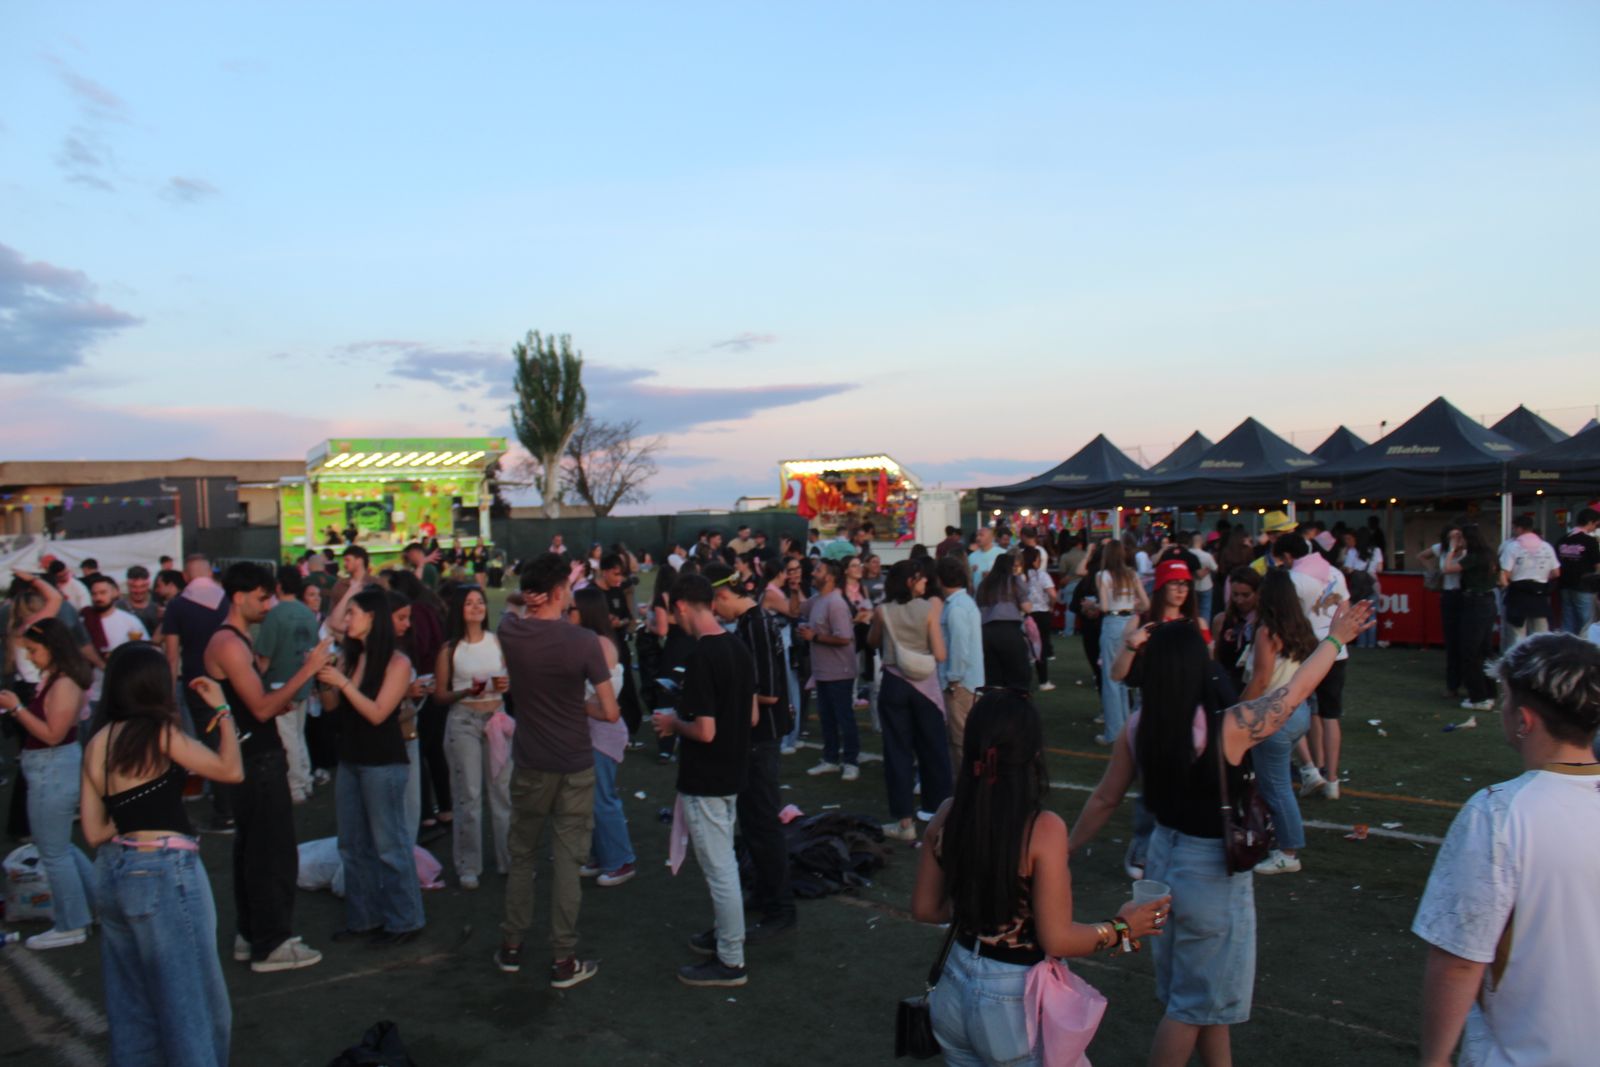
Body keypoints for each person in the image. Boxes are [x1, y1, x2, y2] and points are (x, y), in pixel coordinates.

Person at [1070, 603, 1371, 1067]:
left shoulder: (1139, 725)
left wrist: (1068, 847)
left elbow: (1105, 798)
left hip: (1161, 859)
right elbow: (1294, 692)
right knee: (1192, 1007)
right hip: (1209, 871)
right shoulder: (1227, 727)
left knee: (1203, 1000)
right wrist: (1335, 639)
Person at [912, 689, 1167, 1065]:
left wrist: (981, 905)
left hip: (953, 985)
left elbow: (924, 908)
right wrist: (1123, 928)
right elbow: (1057, 938)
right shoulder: (1042, 829)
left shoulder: (948, 814)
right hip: (1009, 999)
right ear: (1032, 756)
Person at [1413, 633, 1600, 1067]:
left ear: (1524, 720)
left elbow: (1459, 959)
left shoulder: (1497, 812)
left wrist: (1434, 1059)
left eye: (1507, 699)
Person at [79, 644, 242, 1067]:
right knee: (194, 1005)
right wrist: (223, 711)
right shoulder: (159, 734)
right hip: (164, 869)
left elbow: (94, 832)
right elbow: (230, 770)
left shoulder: (97, 742)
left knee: (132, 1009)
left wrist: (132, 812)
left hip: (115, 873)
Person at [495, 554, 619, 988]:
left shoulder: (510, 631)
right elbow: (609, 711)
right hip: (573, 762)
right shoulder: (583, 641)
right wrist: (576, 705)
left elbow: (514, 604)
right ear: (556, 592)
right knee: (568, 862)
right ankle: (563, 959)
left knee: (523, 856)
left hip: (531, 761)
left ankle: (512, 946)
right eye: (566, 586)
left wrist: (533, 593)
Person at [204, 562, 330, 972]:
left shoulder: (235, 640)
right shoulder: (229, 643)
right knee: (271, 854)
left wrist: (281, 699)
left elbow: (254, 702)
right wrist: (308, 670)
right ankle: (271, 942)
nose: (268, 605)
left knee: (254, 851)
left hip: (251, 756)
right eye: (262, 598)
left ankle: (252, 933)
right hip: (256, 759)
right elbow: (259, 708)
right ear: (239, 597)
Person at [652, 574, 758, 987]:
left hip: (708, 775)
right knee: (724, 861)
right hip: (733, 770)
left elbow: (705, 731)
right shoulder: (738, 646)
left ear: (681, 606)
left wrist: (672, 723)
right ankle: (725, 936)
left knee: (720, 869)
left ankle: (731, 959)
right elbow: (751, 715)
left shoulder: (702, 656)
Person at [316, 587, 425, 947]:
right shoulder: (350, 657)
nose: (347, 619)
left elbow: (378, 714)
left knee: (389, 845)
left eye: (353, 613)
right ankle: (364, 919)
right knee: (352, 844)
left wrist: (343, 683)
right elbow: (331, 708)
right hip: (351, 759)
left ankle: (405, 919)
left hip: (382, 762)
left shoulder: (397, 663)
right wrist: (323, 677)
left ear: (372, 618)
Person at [706, 562, 796, 941]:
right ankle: (764, 894)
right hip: (755, 738)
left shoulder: (756, 624)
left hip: (762, 738)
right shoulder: (752, 622)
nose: (714, 613)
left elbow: (769, 692)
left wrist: (720, 693)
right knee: (754, 823)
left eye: (713, 604)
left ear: (723, 594)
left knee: (763, 825)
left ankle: (780, 909)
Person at [0, 618, 97, 949]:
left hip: (52, 769)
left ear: (52, 648)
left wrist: (16, 708)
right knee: (59, 847)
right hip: (49, 768)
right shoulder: (58, 678)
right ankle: (95, 906)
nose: (29, 656)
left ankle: (72, 923)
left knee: (54, 852)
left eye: (33, 650)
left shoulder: (64, 682)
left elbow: (52, 734)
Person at [1237, 570, 1318, 875]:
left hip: (1273, 712)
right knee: (1276, 783)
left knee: (1276, 786)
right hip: (1297, 709)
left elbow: (1260, 679)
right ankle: (1281, 843)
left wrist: (1237, 710)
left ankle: (1288, 851)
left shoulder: (1267, 631)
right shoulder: (1300, 627)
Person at [870, 561, 952, 842]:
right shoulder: (928, 609)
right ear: (909, 581)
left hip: (894, 683)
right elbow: (940, 653)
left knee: (897, 752)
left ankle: (904, 822)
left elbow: (872, 640)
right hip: (925, 687)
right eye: (920, 579)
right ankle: (940, 815)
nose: (925, 582)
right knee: (934, 751)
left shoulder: (883, 610)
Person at [436, 585, 511, 890]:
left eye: (480, 602)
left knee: (502, 792)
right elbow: (440, 695)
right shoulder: (450, 649)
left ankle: (509, 860)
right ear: (459, 609)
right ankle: (469, 865)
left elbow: (508, 679)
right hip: (463, 720)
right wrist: (466, 691)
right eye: (469, 603)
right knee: (468, 794)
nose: (477, 607)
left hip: (497, 719)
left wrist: (505, 685)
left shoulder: (497, 641)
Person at [570, 586, 636, 888]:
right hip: (590, 729)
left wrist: (574, 701)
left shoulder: (599, 644)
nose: (566, 614)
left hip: (602, 731)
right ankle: (601, 855)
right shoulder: (591, 641)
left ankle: (621, 861)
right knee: (590, 798)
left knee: (602, 798)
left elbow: (604, 701)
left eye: (572, 609)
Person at [161, 554, 232, 831]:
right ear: (210, 573)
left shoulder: (178, 605)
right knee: (234, 737)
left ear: (185, 577)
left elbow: (171, 656)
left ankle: (225, 810)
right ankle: (236, 803)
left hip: (198, 682)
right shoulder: (228, 599)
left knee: (213, 742)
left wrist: (169, 696)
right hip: (231, 676)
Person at [253, 565, 320, 805]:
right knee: (298, 735)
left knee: (288, 738)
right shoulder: (308, 614)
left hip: (279, 684)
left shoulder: (274, 615)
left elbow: (264, 657)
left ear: (278, 586)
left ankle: (296, 787)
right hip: (304, 681)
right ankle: (306, 780)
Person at [800, 560, 860, 781]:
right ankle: (830, 758)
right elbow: (795, 609)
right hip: (823, 671)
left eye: (819, 570)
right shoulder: (818, 599)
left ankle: (851, 761)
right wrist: (794, 587)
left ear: (830, 577)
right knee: (827, 718)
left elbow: (844, 638)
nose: (813, 573)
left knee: (844, 718)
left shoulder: (835, 603)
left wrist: (814, 637)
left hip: (839, 671)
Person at [1095, 541, 1148, 745]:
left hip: (1113, 623)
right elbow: (1146, 603)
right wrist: (1132, 605)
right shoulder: (1132, 574)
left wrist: (1093, 604)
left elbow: (1104, 606)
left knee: (1111, 678)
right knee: (1126, 678)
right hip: (1131, 622)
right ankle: (1127, 727)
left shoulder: (1103, 576)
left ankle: (1114, 732)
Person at [1445, 524, 1500, 712]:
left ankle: (1478, 697)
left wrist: (1452, 549)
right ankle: (1489, 693)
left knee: (1471, 652)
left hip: (1475, 603)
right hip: (1488, 601)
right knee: (1485, 650)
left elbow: (1447, 568)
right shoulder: (1489, 554)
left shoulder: (1474, 556)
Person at [936, 555, 983, 774]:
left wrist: (953, 680)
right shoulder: (965, 603)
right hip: (969, 682)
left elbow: (959, 647)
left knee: (960, 740)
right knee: (965, 739)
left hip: (961, 685)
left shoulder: (956, 607)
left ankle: (966, 786)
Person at [1419, 524, 1466, 699]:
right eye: (1451, 536)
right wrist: (1432, 570)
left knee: (1467, 641)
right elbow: (1422, 556)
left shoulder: (1468, 551)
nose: (1455, 540)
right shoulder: (1442, 549)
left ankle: (1467, 680)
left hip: (1465, 594)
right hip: (1448, 594)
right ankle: (1453, 683)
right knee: (1452, 641)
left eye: (1458, 536)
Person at [1499, 515, 1560, 646]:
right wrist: (1541, 575)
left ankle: (1518, 657)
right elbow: (1556, 572)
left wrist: (1507, 584)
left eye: (1514, 528)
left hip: (1518, 593)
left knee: (1517, 634)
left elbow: (1505, 573)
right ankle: (1540, 657)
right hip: (1540, 593)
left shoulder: (1513, 547)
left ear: (1519, 528)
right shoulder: (1546, 546)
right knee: (1541, 634)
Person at [975, 552, 1031, 692]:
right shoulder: (1014, 581)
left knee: (992, 677)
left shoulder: (984, 583)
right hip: (1009, 629)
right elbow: (1026, 607)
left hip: (986, 631)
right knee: (1017, 675)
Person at [1210, 567, 1261, 696]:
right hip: (1227, 687)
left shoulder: (1263, 623)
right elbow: (1216, 659)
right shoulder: (1221, 620)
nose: (1239, 600)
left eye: (1246, 595)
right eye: (1235, 594)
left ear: (1257, 593)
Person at [1554, 507, 1600, 634]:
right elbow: (1598, 565)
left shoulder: (1563, 539)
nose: (1595, 529)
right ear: (1590, 522)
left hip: (1564, 585)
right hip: (1584, 586)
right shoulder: (1590, 541)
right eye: (1596, 525)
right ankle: (1585, 644)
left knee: (1567, 620)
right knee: (1586, 621)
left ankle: (1567, 644)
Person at [1019, 546, 1057, 691]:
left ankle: (1024, 679)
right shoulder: (1041, 575)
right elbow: (1052, 594)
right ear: (1035, 560)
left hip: (1025, 614)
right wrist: (1051, 605)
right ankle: (1043, 680)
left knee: (1025, 647)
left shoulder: (1020, 576)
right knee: (1041, 647)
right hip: (1042, 613)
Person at [119, 565, 161, 636]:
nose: (139, 591)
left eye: (142, 586)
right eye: (134, 587)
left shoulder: (157, 609)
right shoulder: (118, 607)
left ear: (148, 585)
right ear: (128, 585)